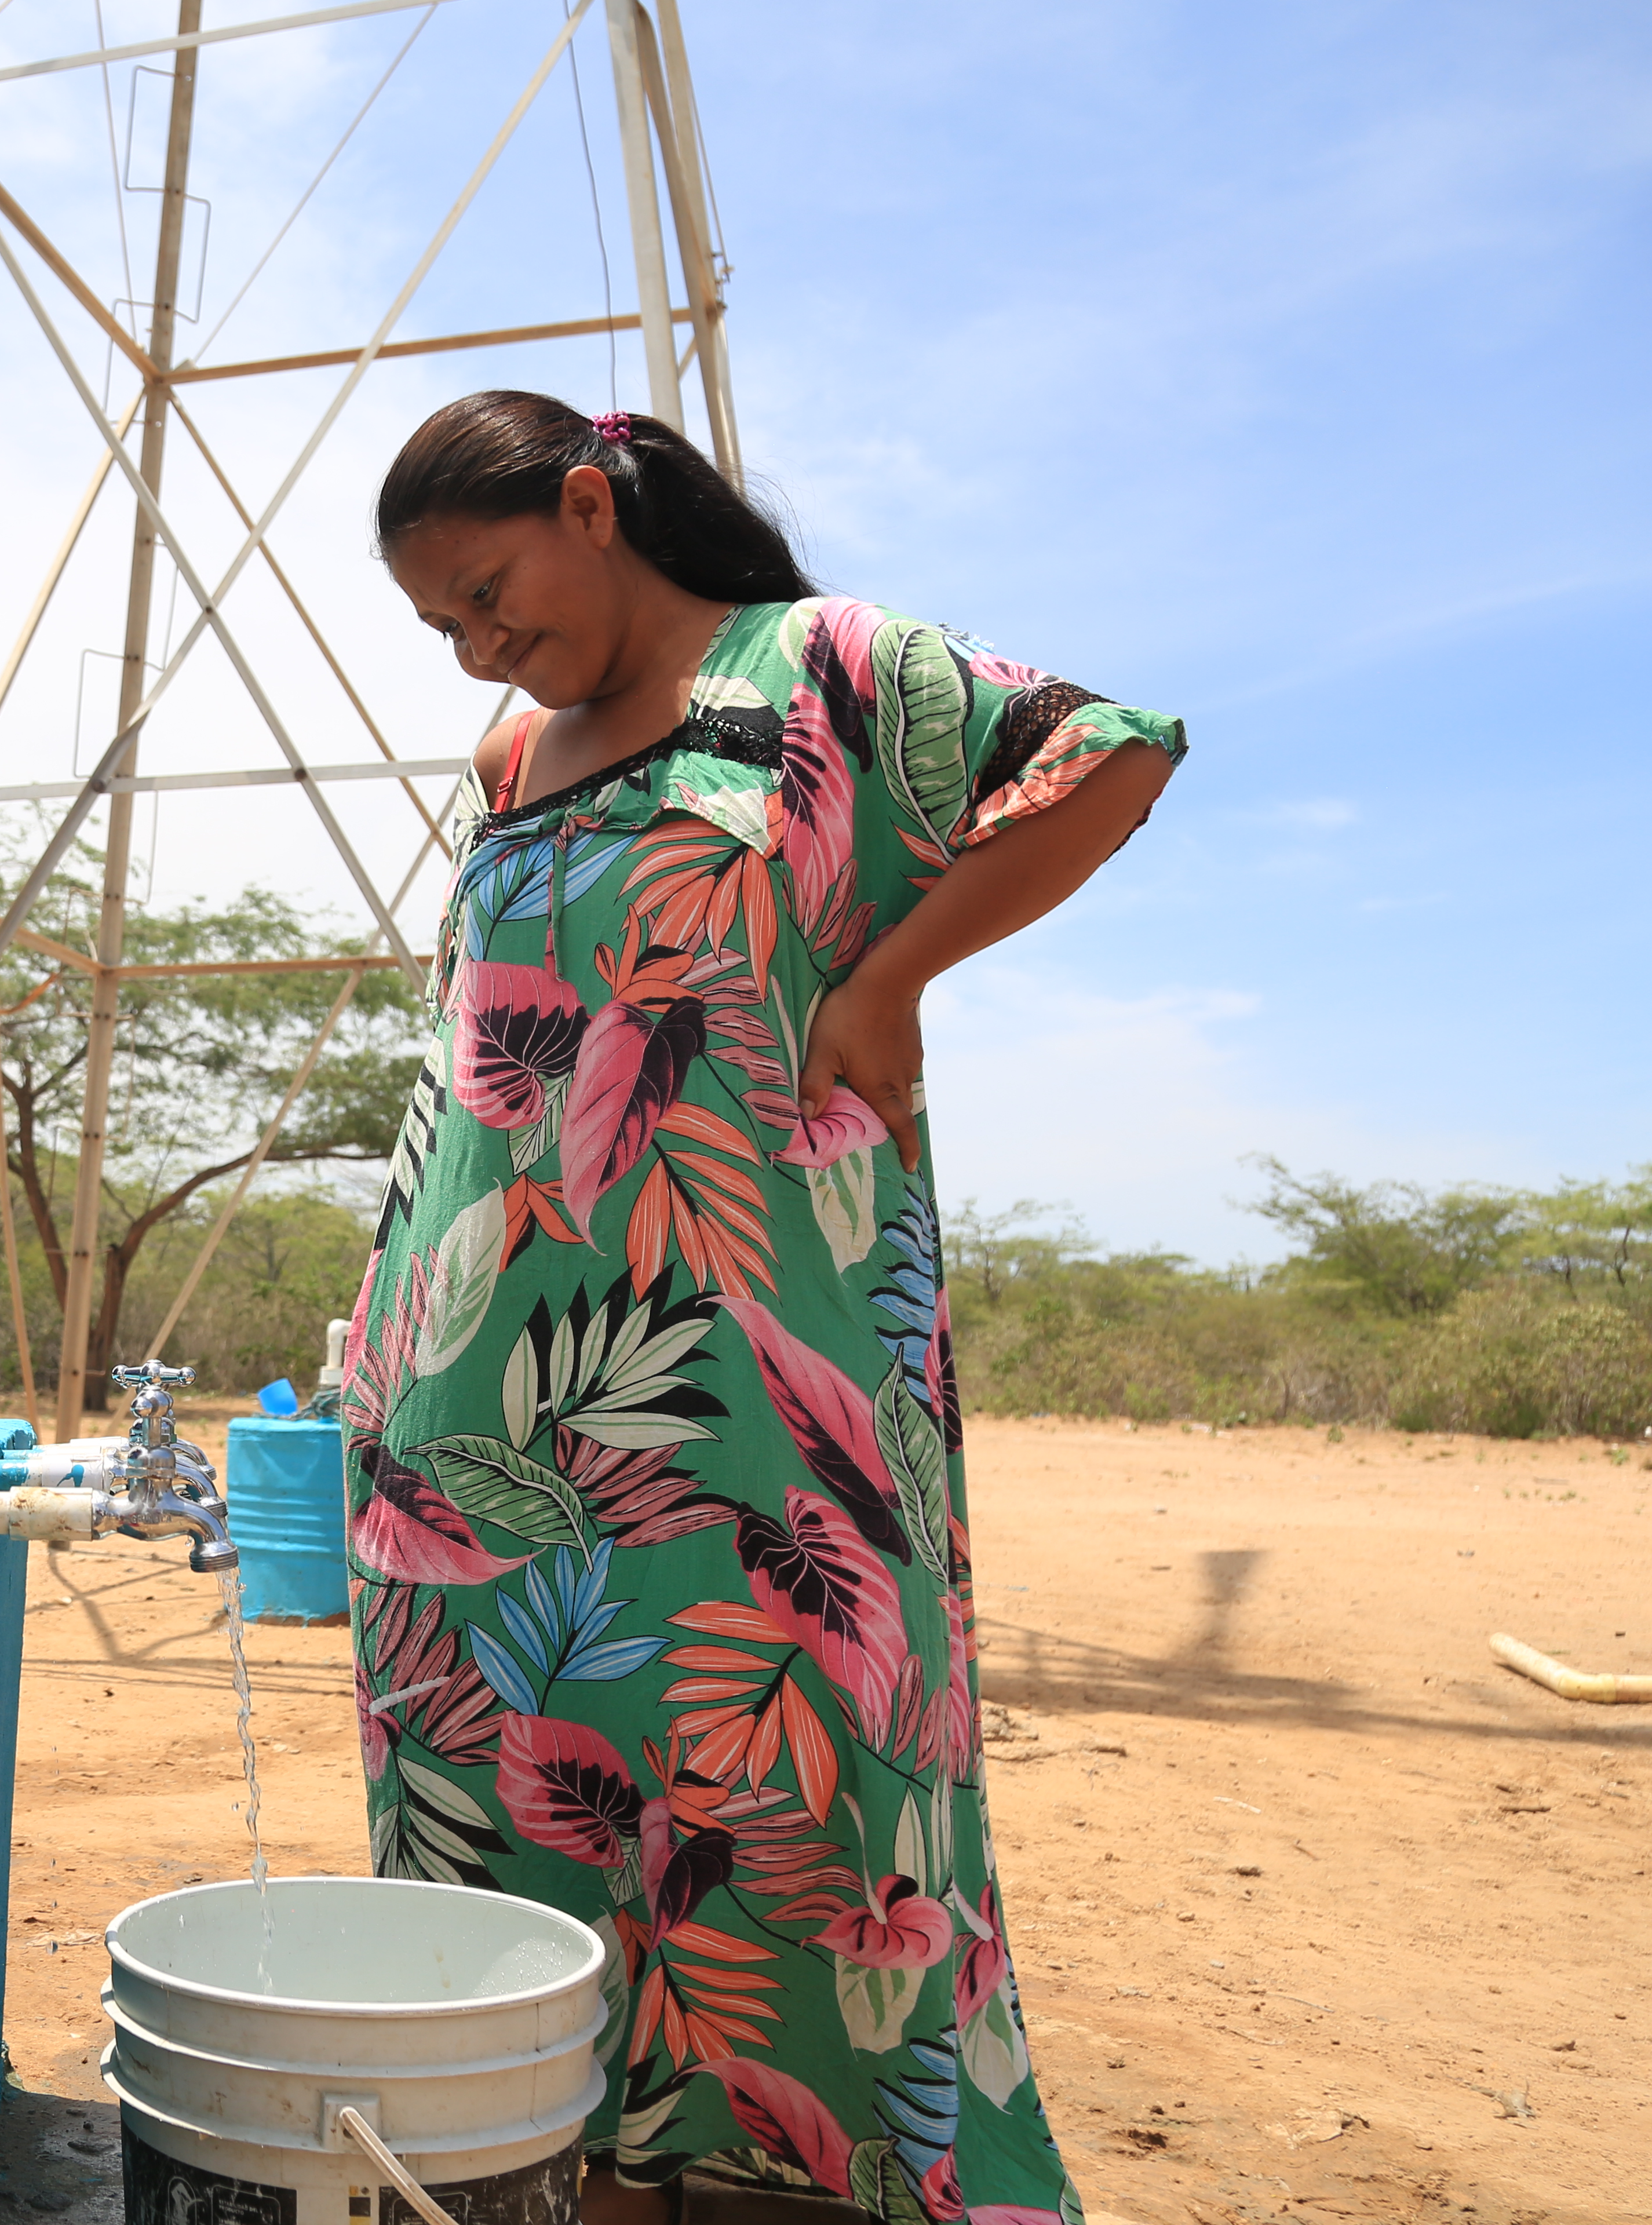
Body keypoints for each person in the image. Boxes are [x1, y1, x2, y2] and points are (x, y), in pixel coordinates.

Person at [349, 390, 1182, 2223]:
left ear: (591, 504)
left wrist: (890, 984)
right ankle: (583, 2177)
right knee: (503, 1798)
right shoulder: (508, 763)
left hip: (758, 1367)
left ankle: (814, 2181)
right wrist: (382, 1323)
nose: (484, 650)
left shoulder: (826, 667)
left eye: (493, 594)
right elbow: (476, 1066)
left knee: (799, 1780)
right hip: (472, 1378)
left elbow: (1107, 754)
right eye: (448, 632)